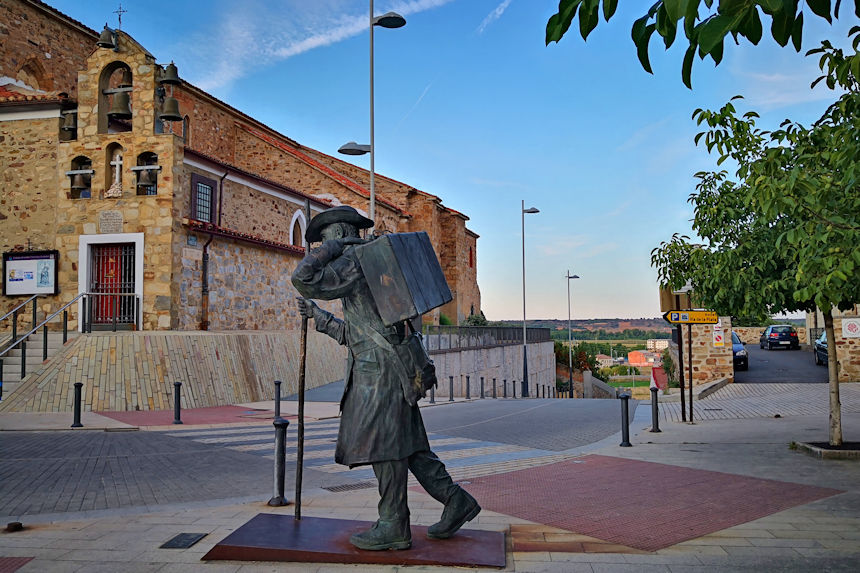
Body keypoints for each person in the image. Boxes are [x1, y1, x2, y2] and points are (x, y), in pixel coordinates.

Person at [292, 205, 480, 551]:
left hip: (380, 373)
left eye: (325, 237)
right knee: (409, 447)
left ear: (339, 232)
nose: (321, 243)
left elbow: (303, 279)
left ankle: (393, 524)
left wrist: (334, 249)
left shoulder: (355, 261)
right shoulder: (371, 263)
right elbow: (361, 333)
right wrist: (320, 318)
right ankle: (456, 501)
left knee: (386, 446)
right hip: (388, 364)